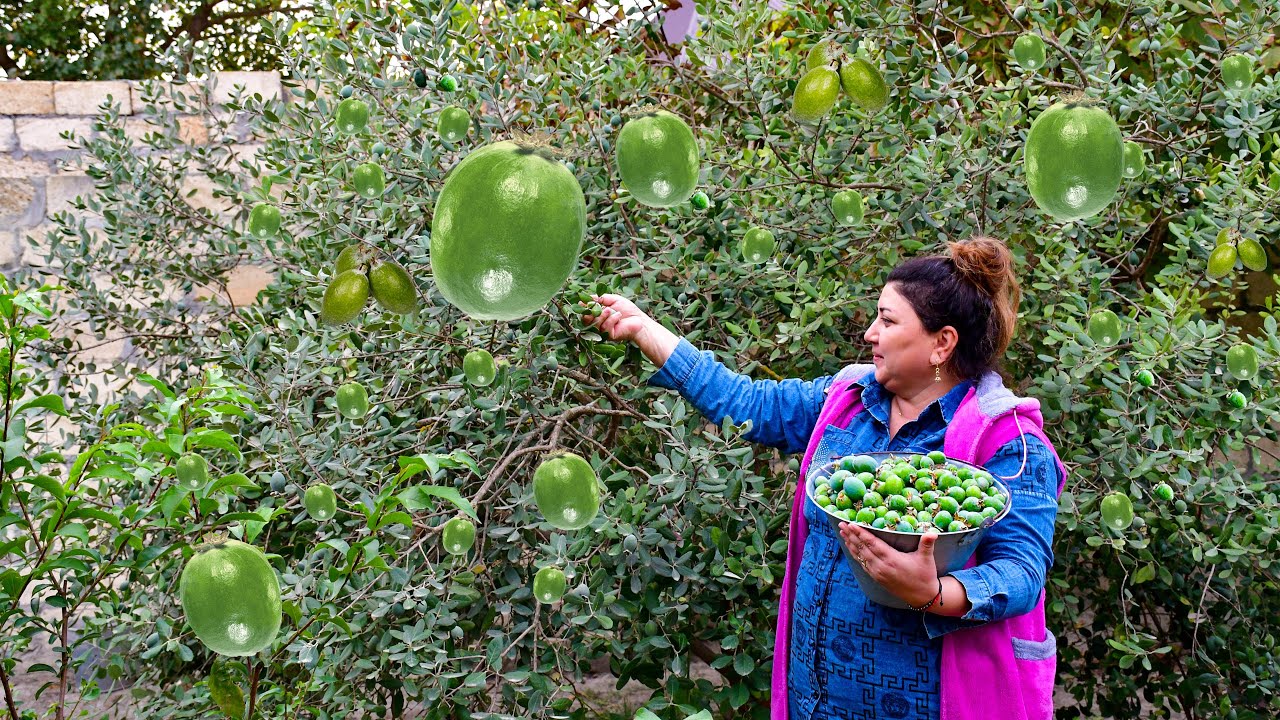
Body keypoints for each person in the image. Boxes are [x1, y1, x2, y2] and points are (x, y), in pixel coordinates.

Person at [578, 236, 1068, 720]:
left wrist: (934, 592)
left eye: (888, 320)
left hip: (924, 704)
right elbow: (748, 404)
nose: (870, 334)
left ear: (942, 343)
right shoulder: (847, 401)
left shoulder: (1007, 442)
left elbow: (1020, 573)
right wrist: (645, 330)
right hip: (814, 696)